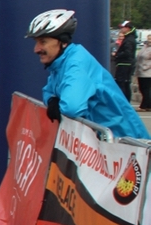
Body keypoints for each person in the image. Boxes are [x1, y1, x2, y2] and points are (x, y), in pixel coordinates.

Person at [27, 9, 150, 139]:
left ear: (63, 42)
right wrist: (52, 100)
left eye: (43, 42)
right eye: (36, 42)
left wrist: (56, 103)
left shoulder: (76, 64)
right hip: (103, 141)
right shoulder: (60, 63)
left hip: (125, 141)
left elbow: (71, 107)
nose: (36, 49)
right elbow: (47, 91)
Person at [113, 20, 137, 100]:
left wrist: (117, 55)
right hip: (126, 63)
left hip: (125, 64)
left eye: (122, 27)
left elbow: (127, 53)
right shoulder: (129, 38)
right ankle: (126, 100)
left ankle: (124, 100)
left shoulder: (129, 40)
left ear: (127, 28)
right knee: (125, 83)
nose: (121, 29)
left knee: (122, 83)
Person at [136, 35, 151, 111]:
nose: (149, 40)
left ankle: (144, 106)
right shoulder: (144, 47)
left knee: (146, 89)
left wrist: (146, 67)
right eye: (148, 38)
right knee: (142, 88)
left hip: (148, 72)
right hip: (140, 70)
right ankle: (148, 105)